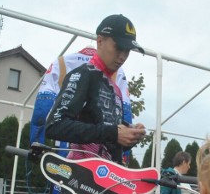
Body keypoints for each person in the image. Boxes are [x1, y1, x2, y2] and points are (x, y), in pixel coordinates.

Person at [46, 14, 146, 162]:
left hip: (108, 176)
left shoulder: (116, 89)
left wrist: (130, 136)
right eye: (119, 47)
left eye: (127, 51)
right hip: (82, 178)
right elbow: (54, 126)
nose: (123, 56)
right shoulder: (83, 75)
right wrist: (113, 133)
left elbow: (108, 140)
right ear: (99, 41)